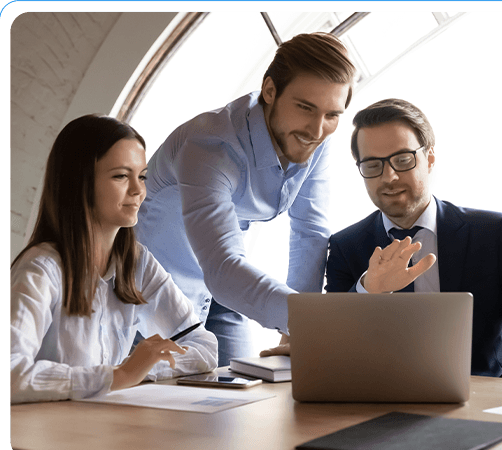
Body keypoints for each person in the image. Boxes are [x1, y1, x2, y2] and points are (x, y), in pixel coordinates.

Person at [135, 32, 357, 366]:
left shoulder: (316, 138)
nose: (316, 129)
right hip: (151, 292)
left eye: (332, 115)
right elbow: (222, 266)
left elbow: (310, 233)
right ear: (270, 90)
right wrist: (309, 322)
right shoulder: (209, 146)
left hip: (224, 287)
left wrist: (297, 328)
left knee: (239, 403)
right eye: (305, 107)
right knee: (153, 409)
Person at [10, 115, 218, 404]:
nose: (138, 190)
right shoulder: (41, 269)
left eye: (142, 176)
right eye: (121, 176)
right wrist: (117, 376)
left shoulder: (138, 263)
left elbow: (204, 347)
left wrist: (142, 369)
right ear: (80, 182)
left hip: (102, 426)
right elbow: (9, 376)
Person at [325, 98, 502, 379]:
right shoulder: (346, 246)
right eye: (373, 165)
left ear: (429, 159)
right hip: (383, 408)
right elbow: (331, 346)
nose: (390, 176)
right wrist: (367, 289)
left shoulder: (493, 234)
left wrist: (500, 405)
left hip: (485, 404)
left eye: (403, 160)